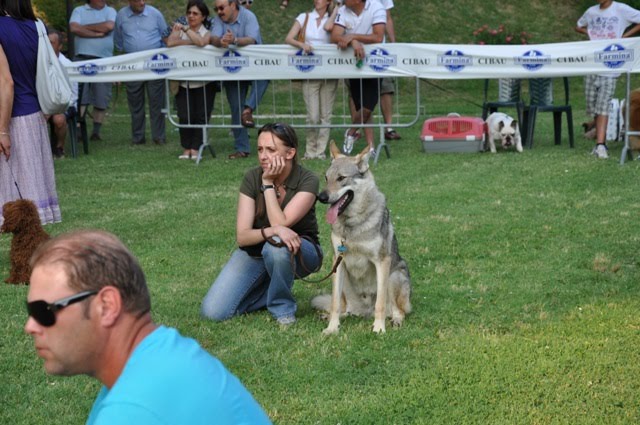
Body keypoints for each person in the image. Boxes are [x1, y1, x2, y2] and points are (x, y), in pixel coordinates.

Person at [25, 230, 272, 424]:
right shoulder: (164, 355)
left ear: (107, 306)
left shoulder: (134, 410)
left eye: (44, 312)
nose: (30, 326)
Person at [201, 123, 322, 326]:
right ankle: (272, 286)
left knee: (276, 244)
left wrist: (267, 184)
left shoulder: (308, 180)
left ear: (290, 153)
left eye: (271, 150)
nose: (263, 156)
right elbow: (243, 236)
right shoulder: (251, 177)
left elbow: (281, 223)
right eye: (260, 149)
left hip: (300, 251)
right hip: (255, 252)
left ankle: (282, 309)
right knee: (213, 312)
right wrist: (272, 230)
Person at [0, 0, 62, 226]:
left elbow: (6, 83)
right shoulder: (37, 27)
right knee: (32, 191)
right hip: (34, 113)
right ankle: (35, 251)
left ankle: (29, 252)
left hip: (11, 116)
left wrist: (2, 130)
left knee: (16, 191)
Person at [575, 0, 640, 159]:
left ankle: (601, 145)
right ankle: (599, 136)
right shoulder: (591, 12)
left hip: (611, 64)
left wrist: (624, 37)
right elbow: (578, 25)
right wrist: (589, 33)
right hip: (592, 64)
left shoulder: (621, 9)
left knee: (603, 104)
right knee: (594, 106)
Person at [210, 0, 270, 159]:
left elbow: (251, 39)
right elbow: (213, 38)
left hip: (253, 66)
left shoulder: (249, 16)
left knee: (265, 78)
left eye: (222, 8)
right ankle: (242, 148)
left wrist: (235, 40)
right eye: (216, 8)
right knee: (235, 106)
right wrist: (220, 41)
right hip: (232, 69)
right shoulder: (218, 19)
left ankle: (248, 109)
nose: (219, 11)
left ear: (233, 5)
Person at [285, 0, 339, 160]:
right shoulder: (304, 16)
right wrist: (301, 44)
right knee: (313, 115)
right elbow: (288, 38)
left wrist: (335, 10)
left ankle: (320, 151)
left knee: (326, 114)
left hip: (329, 71)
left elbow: (329, 28)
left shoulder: (334, 18)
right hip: (309, 71)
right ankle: (310, 150)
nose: (317, 0)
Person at [331, 0, 386, 155]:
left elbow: (378, 37)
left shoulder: (376, 7)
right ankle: (371, 148)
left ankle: (351, 132)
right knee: (360, 105)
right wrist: (353, 41)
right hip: (354, 62)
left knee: (368, 106)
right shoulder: (343, 10)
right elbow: (335, 36)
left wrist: (352, 36)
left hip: (376, 62)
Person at [165, 0, 218, 160]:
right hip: (183, 82)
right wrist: (189, 41)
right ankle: (186, 147)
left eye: (195, 13)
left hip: (204, 82)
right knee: (184, 115)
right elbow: (170, 43)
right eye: (189, 13)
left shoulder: (207, 31)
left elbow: (202, 42)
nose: (191, 16)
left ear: (203, 17)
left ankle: (196, 148)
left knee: (201, 115)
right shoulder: (178, 29)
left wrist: (186, 33)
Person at [114, 0, 169, 146]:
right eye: (138, 0)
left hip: (154, 65)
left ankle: (159, 137)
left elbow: (166, 38)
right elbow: (119, 42)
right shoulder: (121, 16)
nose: (142, 2)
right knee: (135, 103)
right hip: (132, 67)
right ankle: (138, 137)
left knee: (156, 103)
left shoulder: (156, 14)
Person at [69, 0, 117, 142]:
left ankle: (96, 132)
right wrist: (96, 34)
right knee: (80, 96)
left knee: (102, 96)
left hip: (104, 60)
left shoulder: (110, 11)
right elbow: (74, 29)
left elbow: (108, 26)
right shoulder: (79, 10)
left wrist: (85, 28)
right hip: (82, 58)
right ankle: (78, 128)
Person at [47, 29, 79, 159]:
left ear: (60, 46)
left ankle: (59, 148)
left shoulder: (67, 66)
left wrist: (54, 108)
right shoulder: (37, 62)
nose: (48, 46)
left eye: (51, 43)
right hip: (44, 105)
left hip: (65, 105)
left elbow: (72, 97)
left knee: (59, 119)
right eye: (46, 43)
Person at [378, 0, 400, 141]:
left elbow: (387, 17)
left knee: (386, 88)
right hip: (357, 48)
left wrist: (393, 44)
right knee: (355, 93)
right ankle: (356, 128)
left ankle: (389, 127)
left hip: (381, 50)